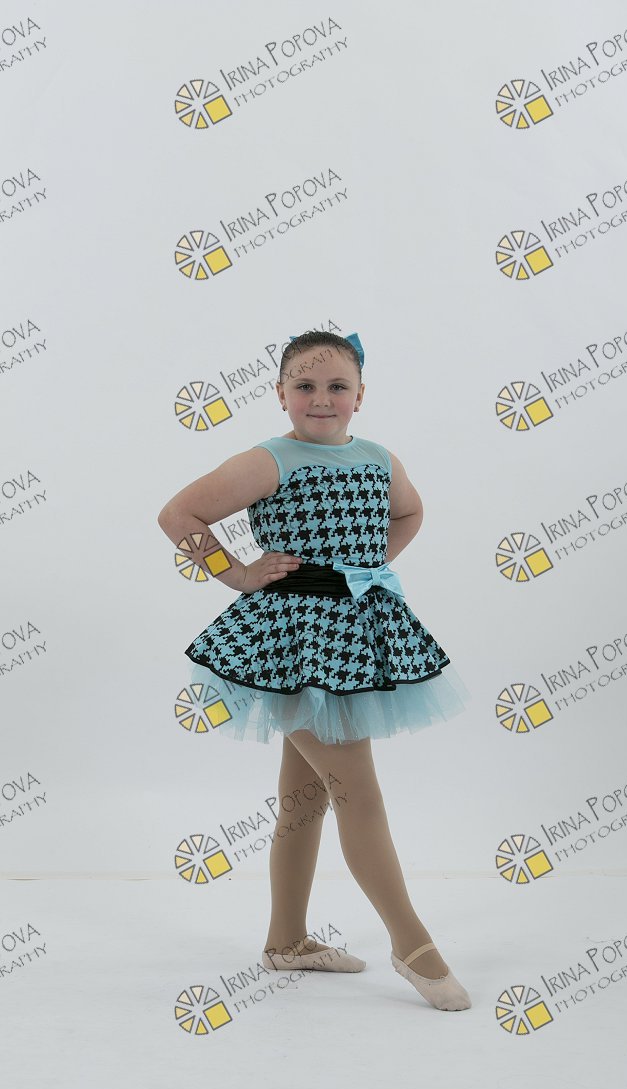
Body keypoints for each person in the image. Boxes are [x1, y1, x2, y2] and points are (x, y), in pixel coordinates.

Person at [157, 330, 472, 1011]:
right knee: (358, 788)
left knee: (308, 796)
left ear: (360, 395)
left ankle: (287, 940)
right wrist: (239, 574)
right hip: (290, 643)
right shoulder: (270, 460)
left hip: (351, 638)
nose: (321, 398)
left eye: (337, 386)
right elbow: (179, 514)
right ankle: (412, 943)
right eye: (305, 385)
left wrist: (362, 570)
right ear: (281, 394)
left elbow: (410, 511)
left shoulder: (379, 458)